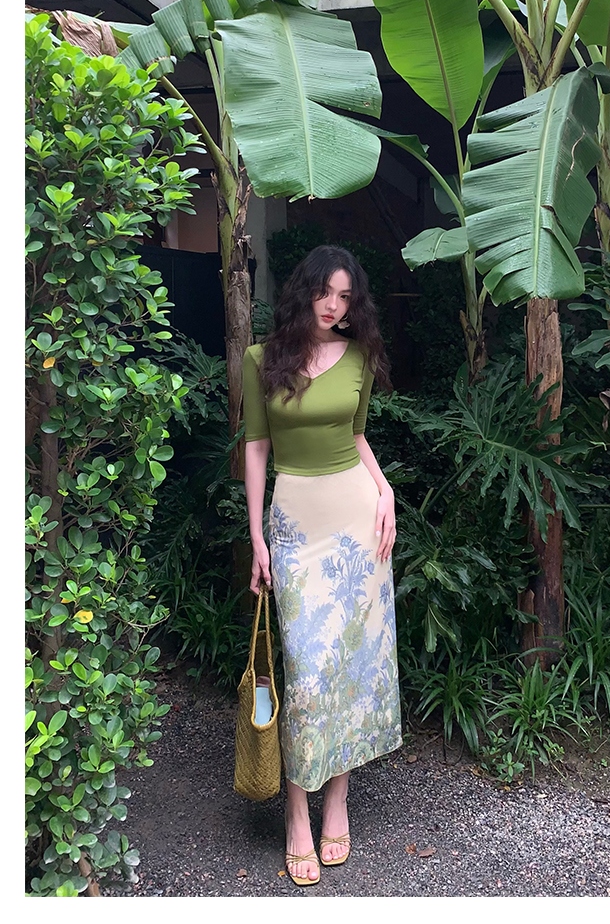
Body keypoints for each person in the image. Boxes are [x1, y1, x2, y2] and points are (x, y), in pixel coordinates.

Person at [242, 245, 402, 887]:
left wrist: (386, 491)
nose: (334, 306)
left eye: (345, 296)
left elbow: (356, 437)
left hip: (359, 526)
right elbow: (257, 448)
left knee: (350, 669)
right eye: (324, 293)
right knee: (307, 675)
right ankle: (296, 812)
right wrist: (256, 535)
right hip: (294, 526)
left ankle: (337, 799)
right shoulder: (261, 360)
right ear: (303, 290)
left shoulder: (359, 356)